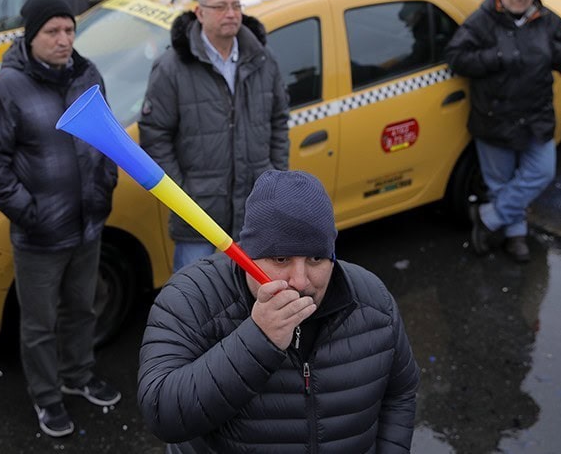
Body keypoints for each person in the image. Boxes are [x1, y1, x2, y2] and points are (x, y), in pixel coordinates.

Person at [137, 169, 420, 452]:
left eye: (315, 258)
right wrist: (258, 340)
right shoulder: (191, 297)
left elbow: (401, 392)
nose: (299, 280)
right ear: (248, 255)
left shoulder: (373, 301)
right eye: (281, 258)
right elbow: (162, 414)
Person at [0, 0, 120, 439]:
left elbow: (106, 135)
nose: (63, 40)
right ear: (30, 36)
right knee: (39, 323)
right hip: (39, 235)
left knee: (83, 307)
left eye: (69, 30)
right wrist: (28, 211)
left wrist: (104, 183)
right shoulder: (5, 88)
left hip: (88, 223)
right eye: (52, 32)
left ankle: (78, 374)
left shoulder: (86, 74)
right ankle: (47, 396)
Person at [138, 0, 289, 271]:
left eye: (236, 5)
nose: (231, 14)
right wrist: (181, 195)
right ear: (199, 12)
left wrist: (275, 176)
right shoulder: (172, 67)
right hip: (197, 217)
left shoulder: (262, 59)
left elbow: (278, 121)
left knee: (250, 304)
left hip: (253, 213)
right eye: (220, 6)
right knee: (195, 305)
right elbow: (155, 135)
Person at [445, 0, 561, 262]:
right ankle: (515, 236)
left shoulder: (545, 18)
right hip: (495, 120)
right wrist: (494, 57)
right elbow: (456, 57)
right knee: (500, 184)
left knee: (541, 173)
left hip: (537, 118)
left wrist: (550, 52)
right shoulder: (481, 20)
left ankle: (489, 218)